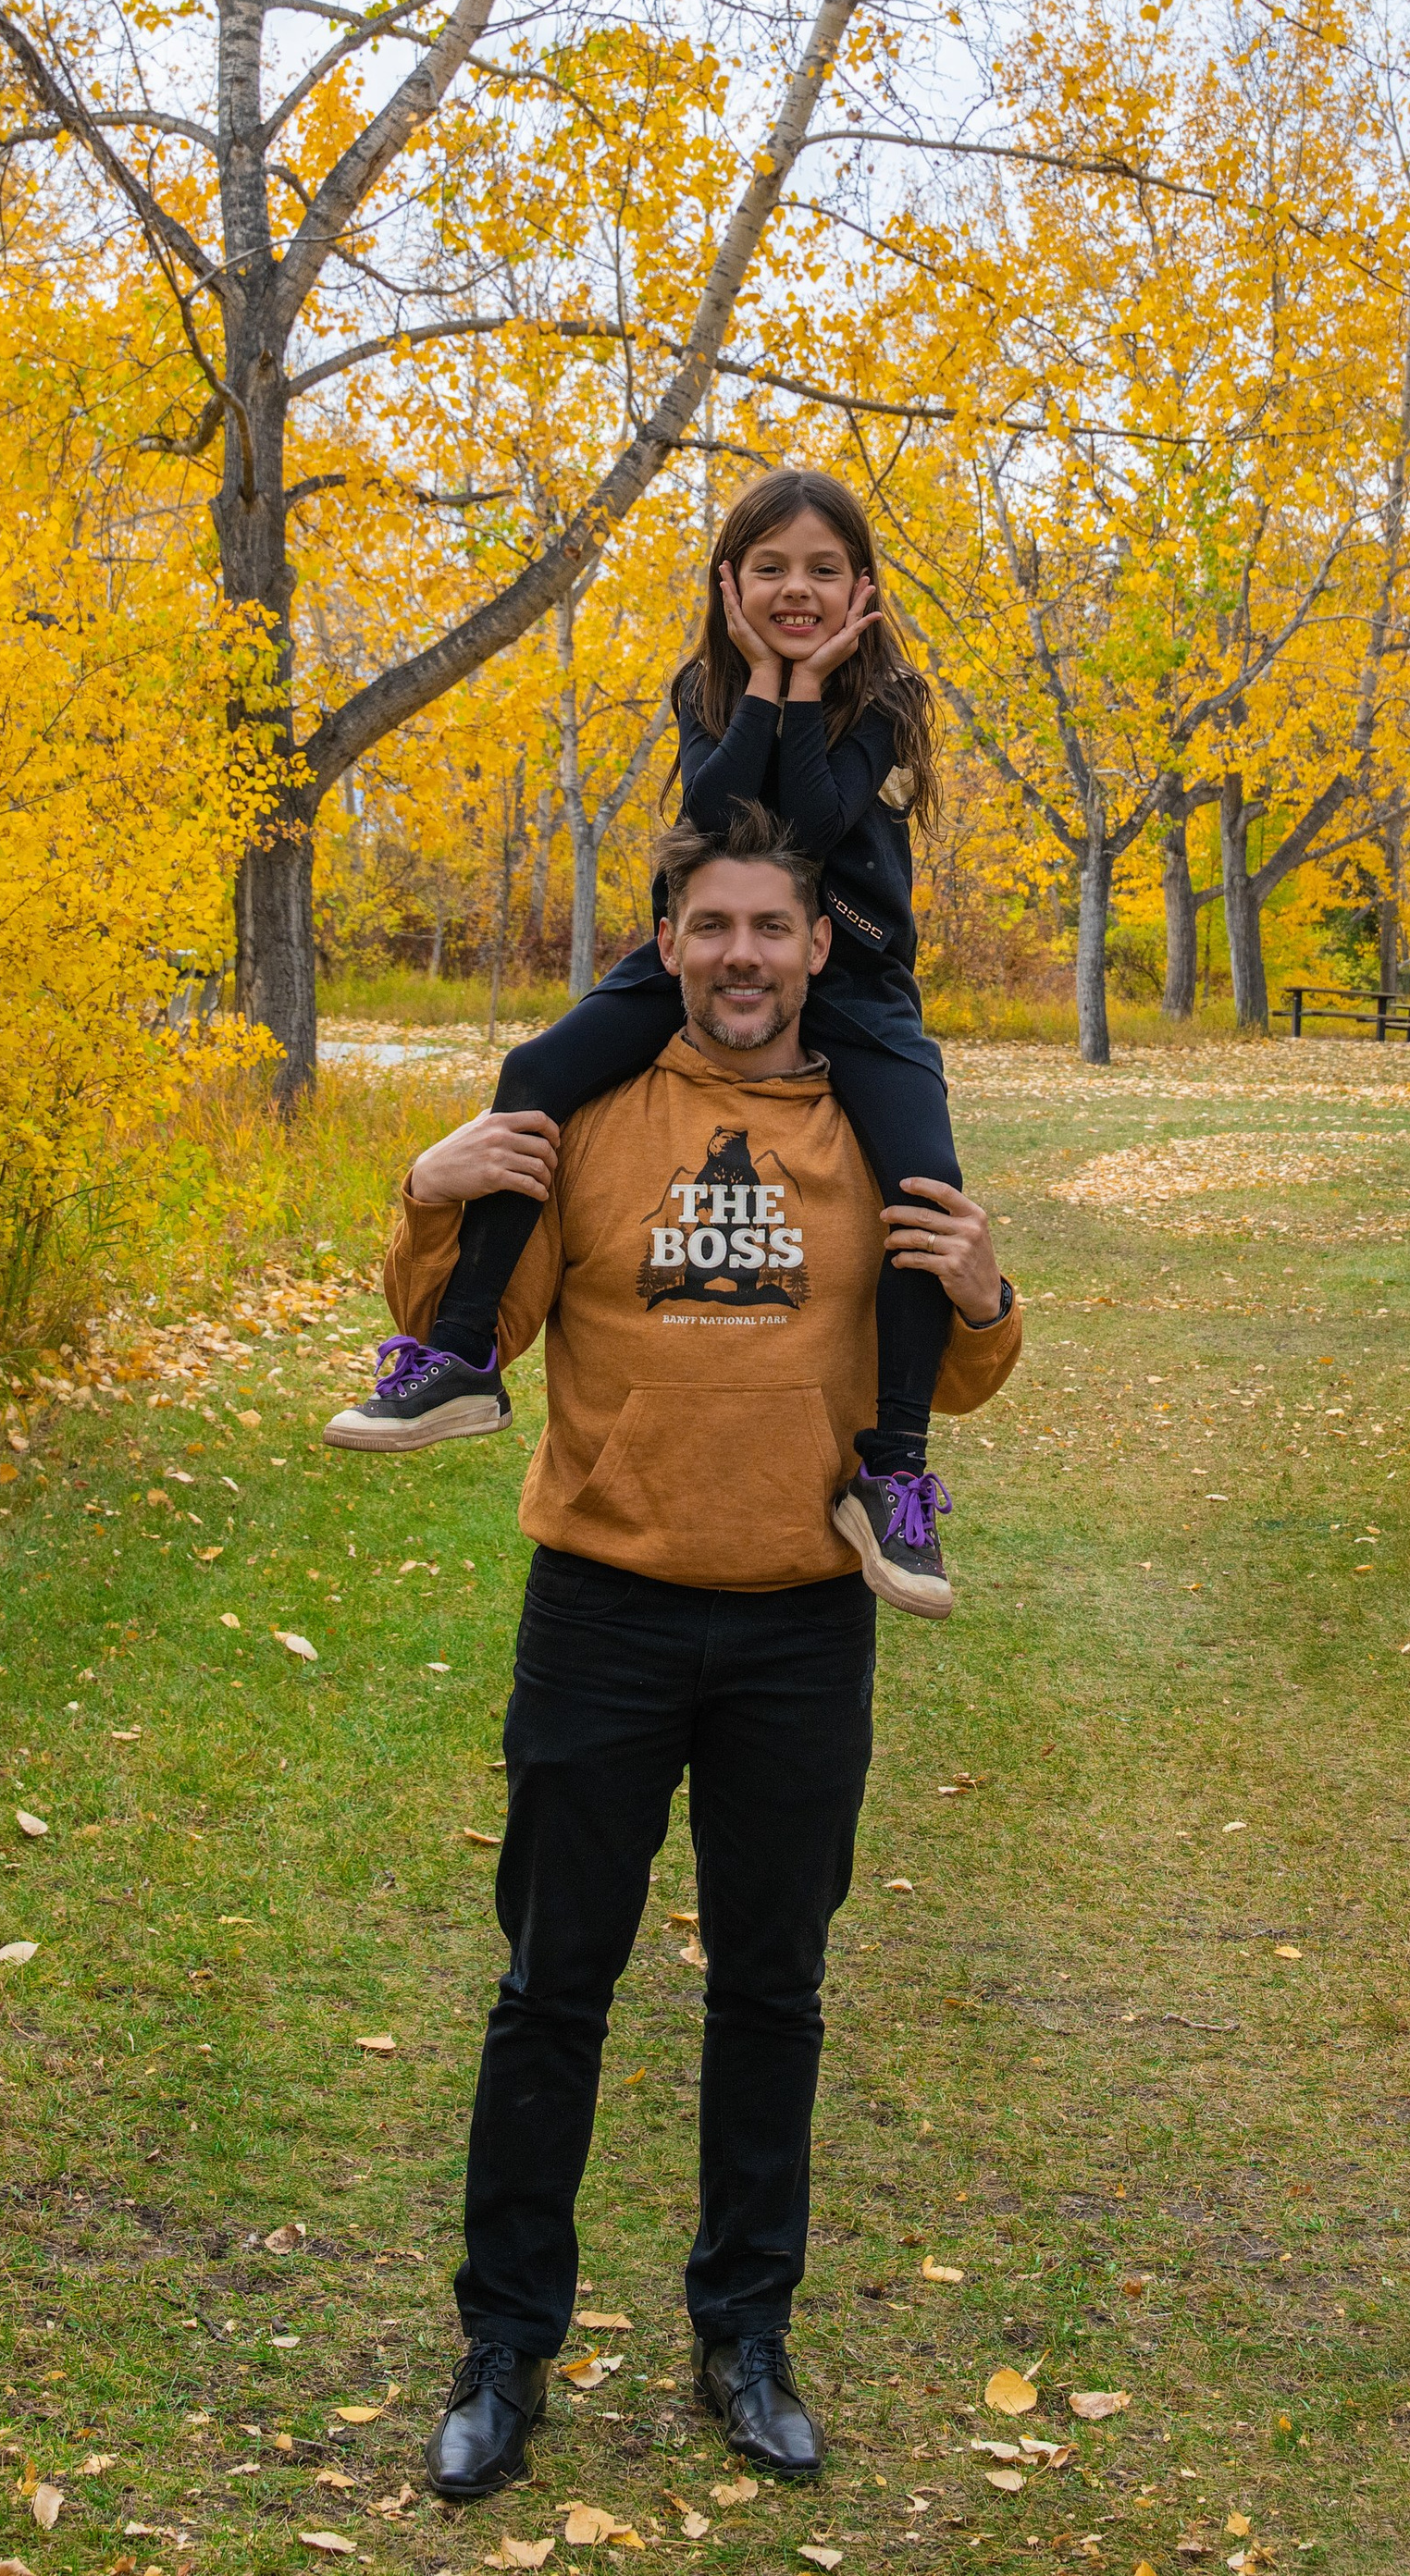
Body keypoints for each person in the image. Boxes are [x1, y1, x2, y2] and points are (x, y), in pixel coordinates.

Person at [385, 804, 1020, 2502]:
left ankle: (745, 2333)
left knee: (772, 1990)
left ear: (822, 948)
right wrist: (426, 1190)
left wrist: (980, 1290)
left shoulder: (878, 1130)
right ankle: (506, 2347)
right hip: (601, 1608)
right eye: (712, 927)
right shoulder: (592, 1110)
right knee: (551, 1990)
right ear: (666, 944)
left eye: (773, 928)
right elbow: (485, 1323)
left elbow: (950, 1384)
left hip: (803, 1624)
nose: (742, 956)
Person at [327, 467, 973, 1619]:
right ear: (729, 583)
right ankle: (464, 1353)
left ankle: (894, 1470)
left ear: (861, 589)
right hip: (714, 941)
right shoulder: (704, 689)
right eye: (770, 567)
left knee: (924, 1190)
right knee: (532, 1074)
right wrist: (764, 683)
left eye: (825, 569)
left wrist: (809, 685)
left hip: (855, 969)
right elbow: (721, 823)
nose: (797, 589)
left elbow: (817, 828)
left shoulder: (879, 702)